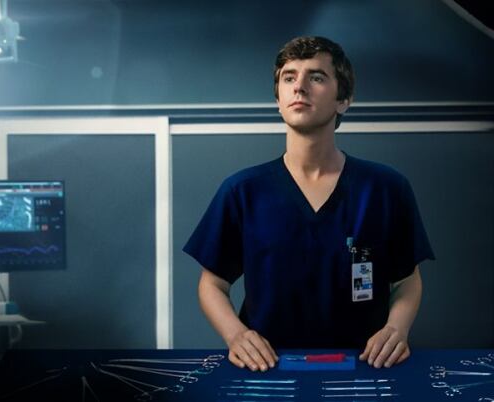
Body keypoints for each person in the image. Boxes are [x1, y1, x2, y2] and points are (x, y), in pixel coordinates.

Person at [183, 36, 434, 372]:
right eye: (289, 78)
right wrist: (236, 335)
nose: (299, 87)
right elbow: (211, 284)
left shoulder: (385, 189)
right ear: (278, 99)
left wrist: (396, 328)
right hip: (268, 370)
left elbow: (407, 280)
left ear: (343, 100)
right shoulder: (242, 191)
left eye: (316, 77)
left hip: (362, 368)